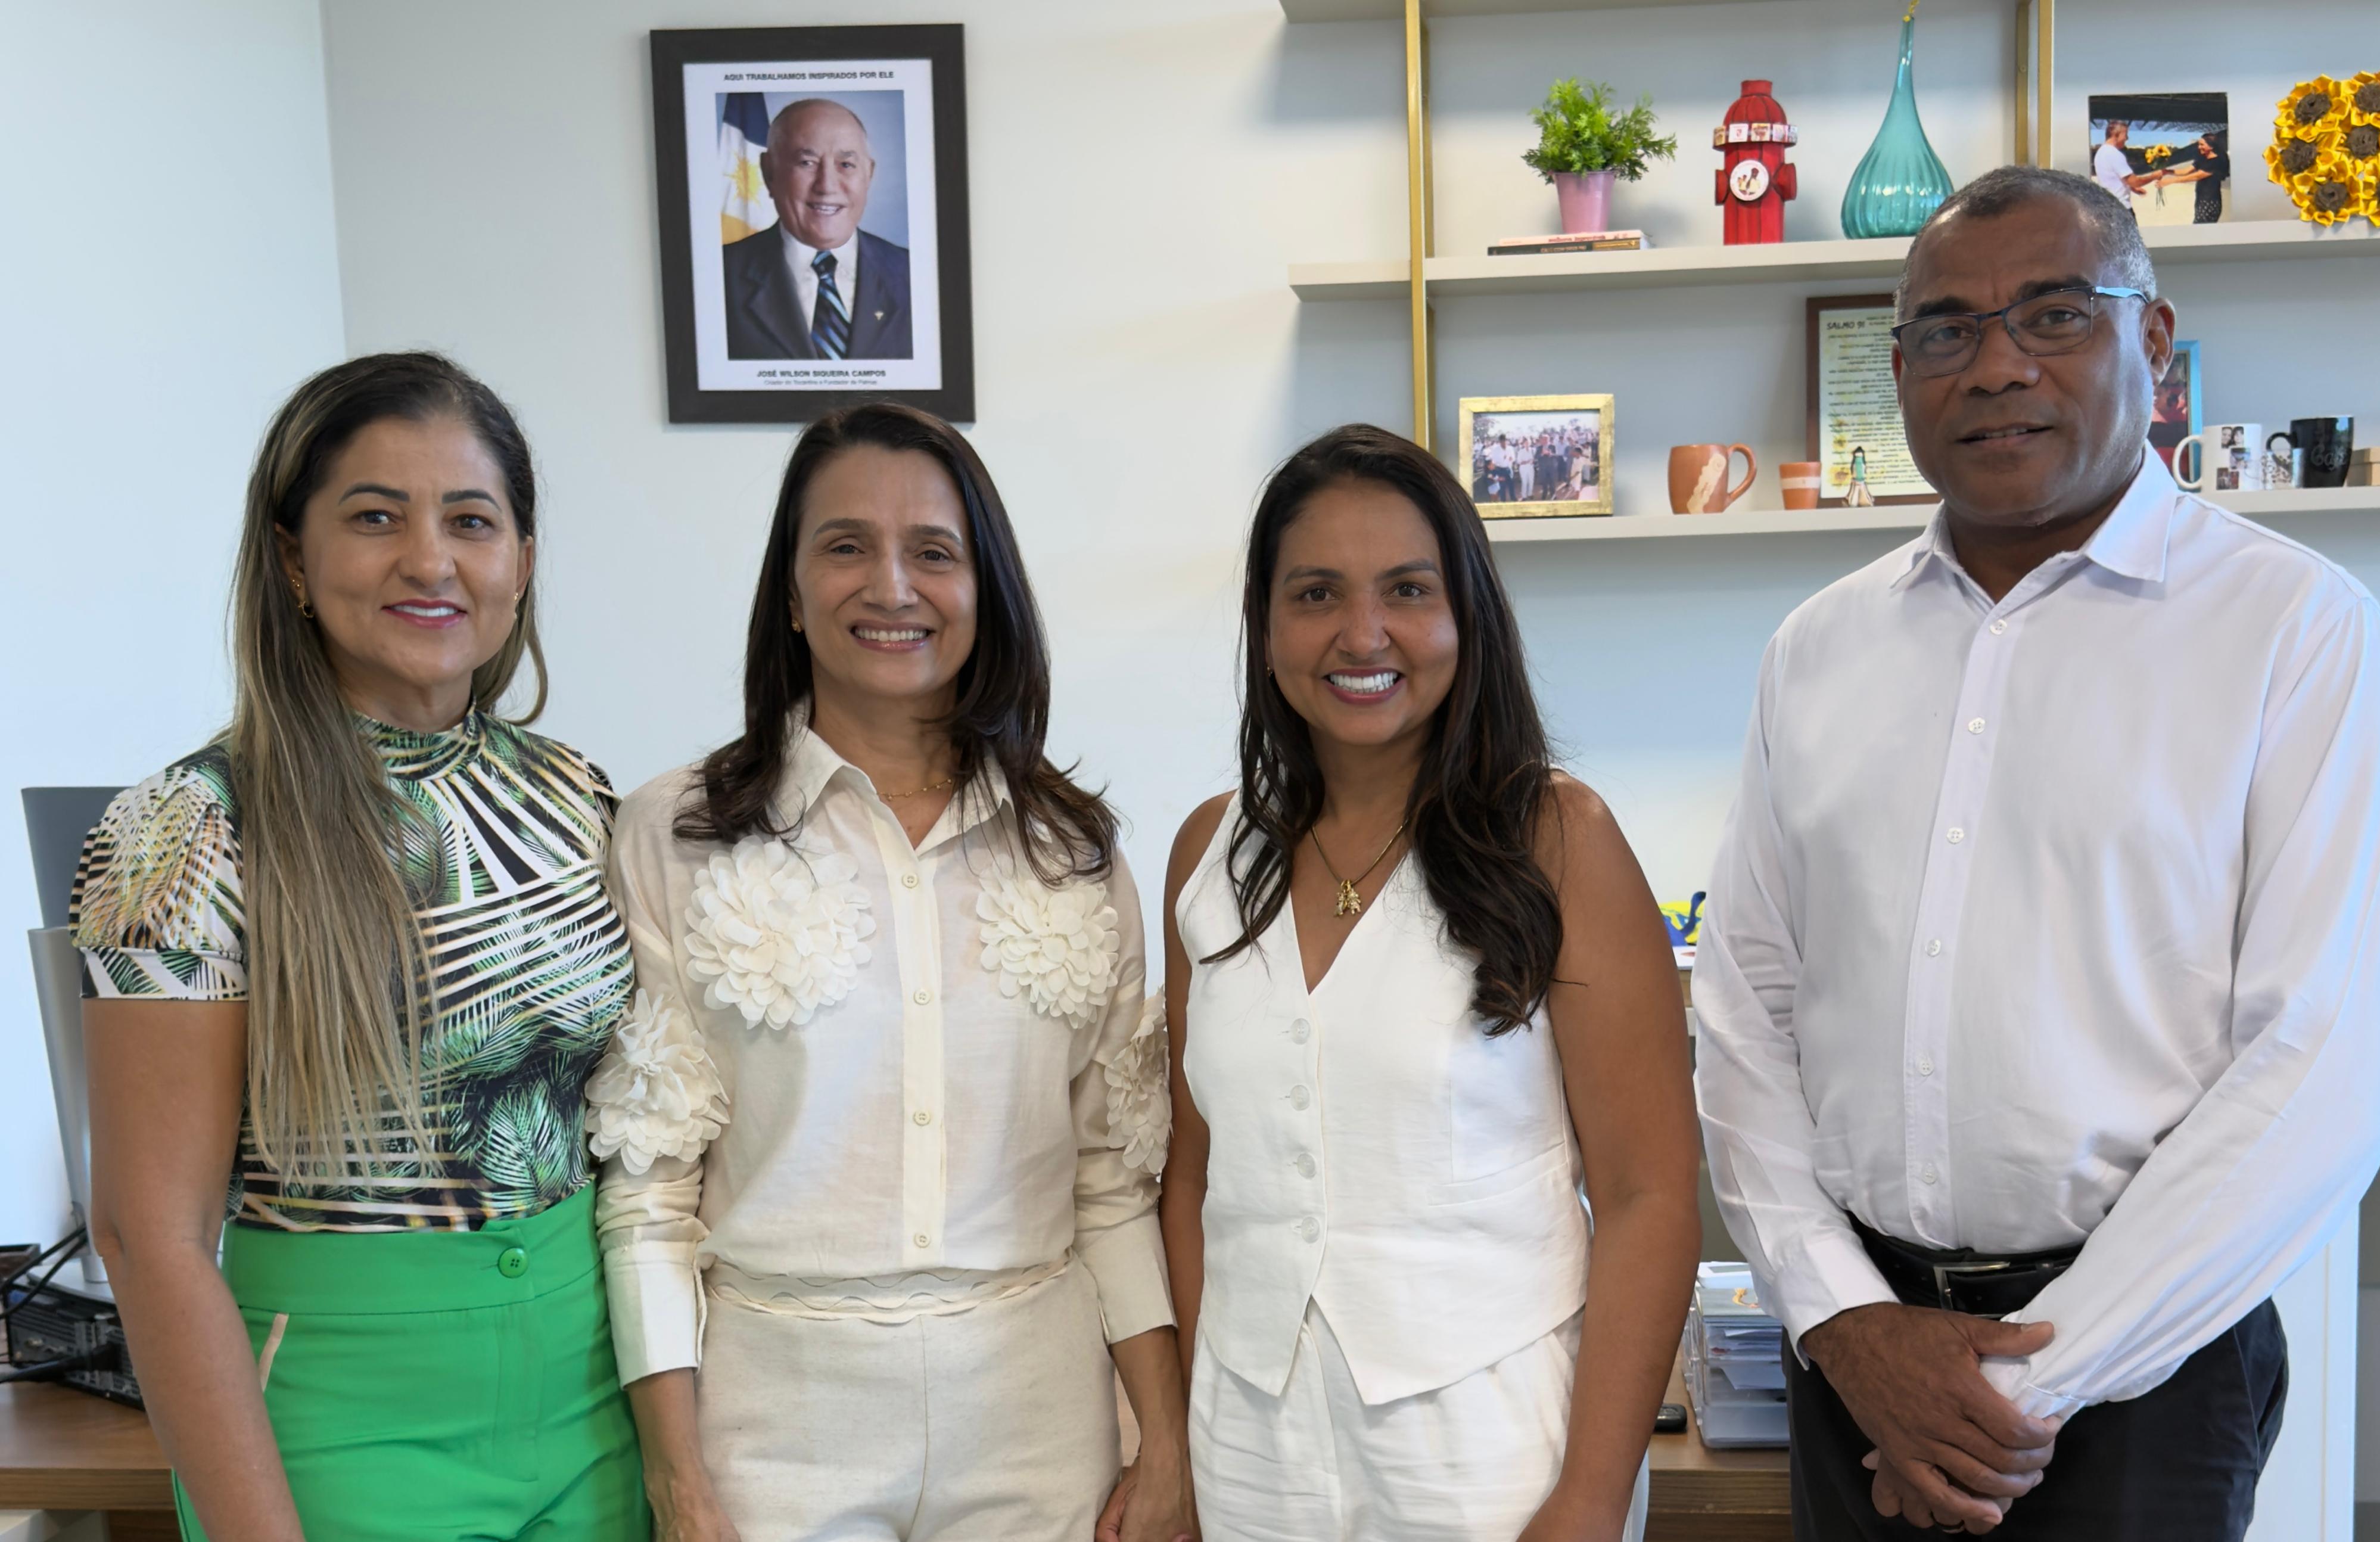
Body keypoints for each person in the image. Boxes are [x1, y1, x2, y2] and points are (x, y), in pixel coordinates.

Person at [1693, 165, 2380, 1540]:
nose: (1997, 365)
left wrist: (2021, 1387)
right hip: (1862, 1348)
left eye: (2054, 314)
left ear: (2151, 342)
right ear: (1898, 369)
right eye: (1945, 331)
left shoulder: (2291, 630)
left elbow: (2313, 1068)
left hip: (2145, 1366)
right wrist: (1848, 1322)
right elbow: (1745, 1017)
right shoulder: (1820, 650)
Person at [586, 403, 1193, 1542]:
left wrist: (1167, 1446)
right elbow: (651, 1190)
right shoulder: (674, 831)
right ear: (791, 588)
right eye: (847, 545)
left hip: (1038, 1408)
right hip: (773, 1414)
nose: (892, 585)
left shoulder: (1073, 850)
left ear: (985, 588)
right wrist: (679, 1479)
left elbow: (1113, 1181)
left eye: (934, 551)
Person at [75, 353, 647, 1541]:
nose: (430, 560)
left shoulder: (582, 797)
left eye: (471, 521)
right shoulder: (183, 828)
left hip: (595, 1407)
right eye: (374, 517)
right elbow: (147, 1233)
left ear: (522, 563)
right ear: (292, 556)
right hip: (341, 1427)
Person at [1159, 424, 1703, 1540]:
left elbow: (1650, 1197)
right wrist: (1187, 1435)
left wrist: (1593, 1497)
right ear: (1266, 626)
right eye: (1316, 593)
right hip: (1251, 1438)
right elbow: (1194, 1172)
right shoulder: (1211, 852)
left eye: (1407, 588)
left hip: (1491, 1441)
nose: (1363, 633)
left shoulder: (1558, 837)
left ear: (1467, 613)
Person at [722, 97, 914, 361]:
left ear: (868, 174)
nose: (826, 186)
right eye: (806, 163)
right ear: (769, 172)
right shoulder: (719, 276)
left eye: (846, 165)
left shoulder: (915, 276)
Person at [2087, 120, 2163, 211]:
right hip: (2121, 208)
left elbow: (2112, 178)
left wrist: (2132, 188)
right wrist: (2154, 176)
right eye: (2125, 134)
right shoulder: (2115, 154)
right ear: (2116, 134)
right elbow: (2135, 181)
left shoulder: (2101, 152)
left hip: (2108, 206)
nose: (2127, 138)